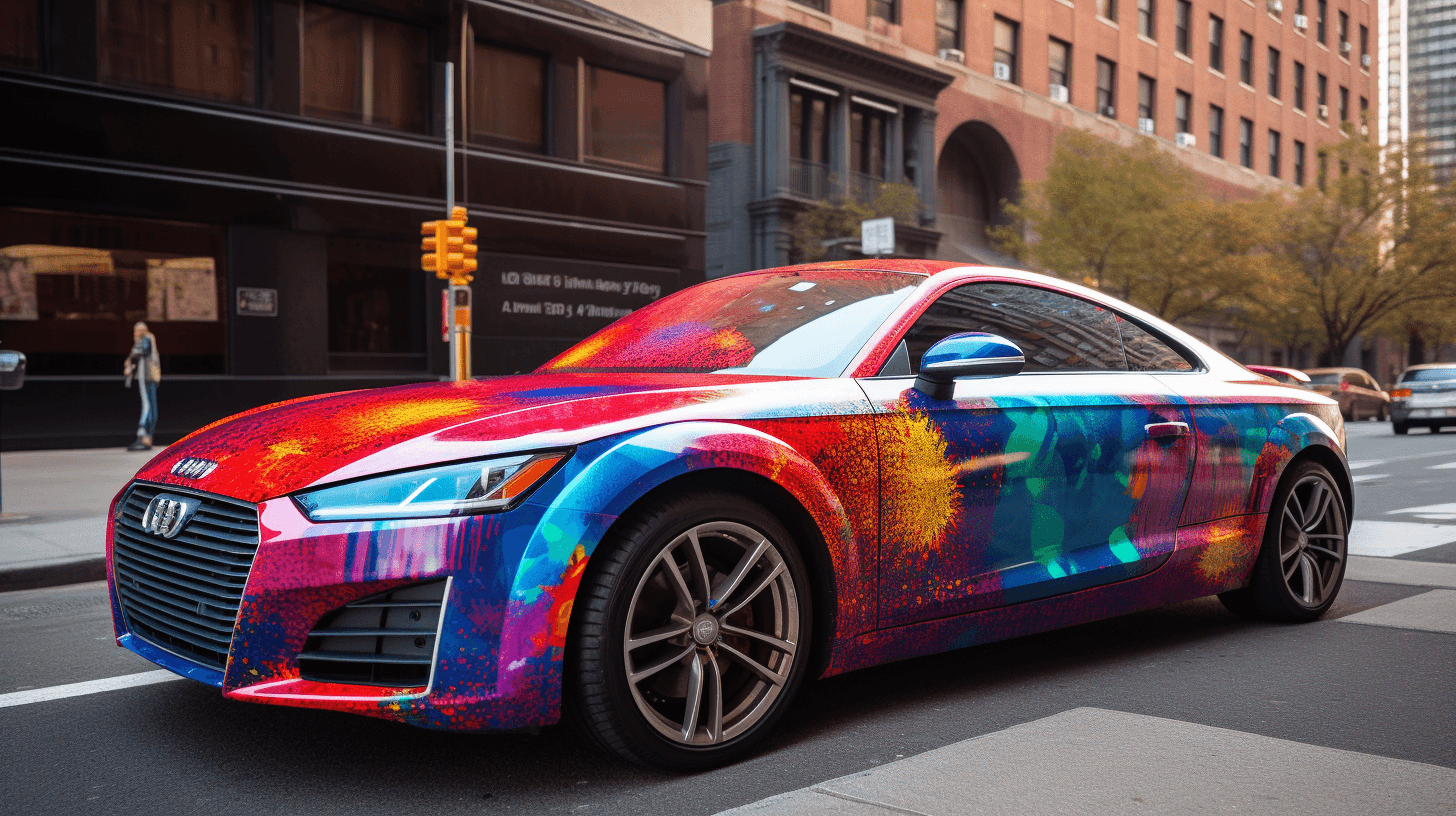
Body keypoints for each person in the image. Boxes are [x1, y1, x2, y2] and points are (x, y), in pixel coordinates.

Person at [124, 322, 160, 451]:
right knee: (151, 406)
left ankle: (143, 436)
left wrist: (129, 365)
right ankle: (147, 438)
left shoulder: (146, 339)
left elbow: (137, 354)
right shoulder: (149, 339)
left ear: (141, 331)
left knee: (148, 406)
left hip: (147, 377)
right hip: (150, 377)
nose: (135, 333)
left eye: (136, 331)